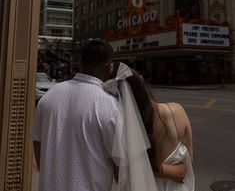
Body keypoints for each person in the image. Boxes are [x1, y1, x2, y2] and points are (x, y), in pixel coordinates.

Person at [32, 41, 187, 191]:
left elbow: (38, 148)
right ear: (110, 67)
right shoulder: (111, 107)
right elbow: (123, 173)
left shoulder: (48, 97)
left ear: (81, 63)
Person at [126, 67, 194, 191]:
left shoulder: (123, 125)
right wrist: (169, 171)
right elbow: (189, 158)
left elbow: (121, 171)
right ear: (141, 81)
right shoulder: (177, 111)